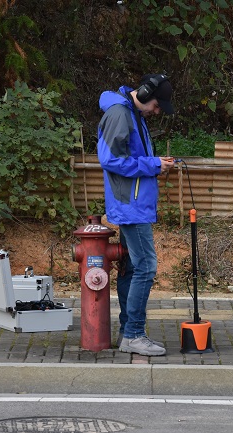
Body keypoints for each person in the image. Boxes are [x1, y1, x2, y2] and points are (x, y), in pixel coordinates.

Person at [97, 73, 175, 356]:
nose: (156, 112)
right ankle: (133, 335)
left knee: (131, 267)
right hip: (131, 206)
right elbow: (110, 160)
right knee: (145, 267)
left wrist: (155, 165)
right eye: (156, 105)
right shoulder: (120, 114)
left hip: (135, 203)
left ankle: (127, 332)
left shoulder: (132, 113)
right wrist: (154, 164)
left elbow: (128, 158)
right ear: (143, 94)